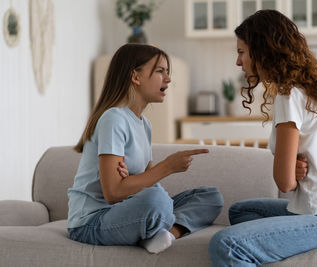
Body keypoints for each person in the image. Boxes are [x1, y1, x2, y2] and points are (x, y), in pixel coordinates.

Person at [209, 10, 317, 266]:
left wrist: (290, 167)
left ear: (262, 52)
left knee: (225, 243)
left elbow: (285, 183)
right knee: (242, 211)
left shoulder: (288, 95)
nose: (238, 62)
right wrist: (293, 165)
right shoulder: (311, 90)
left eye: (241, 52)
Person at [67, 43, 224, 254]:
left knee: (210, 197)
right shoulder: (114, 119)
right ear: (136, 77)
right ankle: (155, 229)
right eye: (160, 71)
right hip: (92, 221)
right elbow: (113, 193)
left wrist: (132, 180)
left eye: (167, 73)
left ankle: (166, 234)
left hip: (126, 209)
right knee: (158, 201)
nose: (168, 79)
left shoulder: (144, 124)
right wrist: (167, 166)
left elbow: (146, 182)